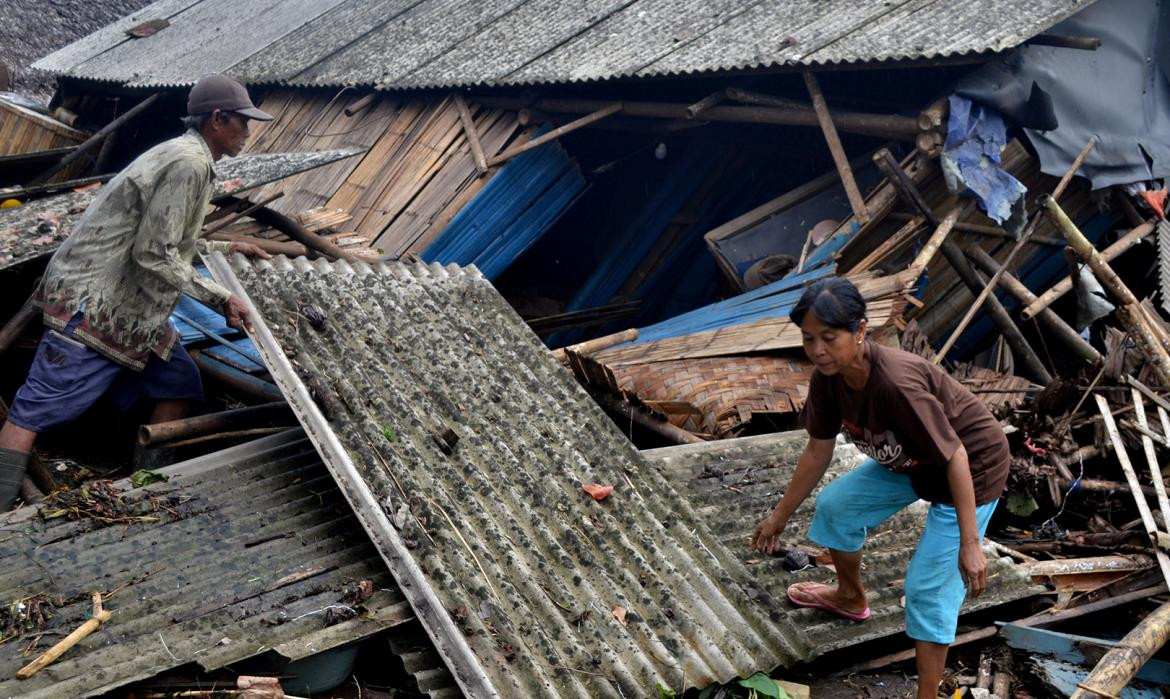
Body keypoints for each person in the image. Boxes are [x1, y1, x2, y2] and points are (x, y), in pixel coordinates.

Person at [0, 74, 277, 509]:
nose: (248, 132)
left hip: (131, 307)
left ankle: (145, 486)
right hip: (94, 303)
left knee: (179, 379)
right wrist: (219, 297)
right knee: (34, 409)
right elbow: (154, 252)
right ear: (218, 119)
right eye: (243, 122)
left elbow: (166, 237)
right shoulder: (188, 162)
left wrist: (225, 245)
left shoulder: (188, 156)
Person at [750, 276, 1008, 699]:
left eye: (829, 338)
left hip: (970, 469)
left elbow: (956, 456)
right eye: (809, 338)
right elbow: (818, 450)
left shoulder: (896, 385)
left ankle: (927, 694)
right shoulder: (828, 378)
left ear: (861, 331)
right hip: (912, 461)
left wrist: (970, 542)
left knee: (927, 589)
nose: (818, 350)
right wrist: (779, 516)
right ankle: (850, 596)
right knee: (837, 506)